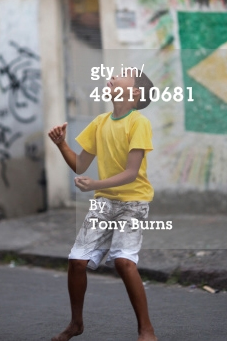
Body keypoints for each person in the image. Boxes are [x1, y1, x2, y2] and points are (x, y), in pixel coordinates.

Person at [48, 67, 158, 341]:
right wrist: (62, 145)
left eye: (122, 74)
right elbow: (80, 164)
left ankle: (146, 330)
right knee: (76, 261)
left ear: (134, 92)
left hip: (133, 201)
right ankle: (76, 324)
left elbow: (131, 173)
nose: (113, 76)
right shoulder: (100, 122)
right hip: (104, 203)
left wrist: (94, 185)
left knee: (124, 262)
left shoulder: (139, 122)